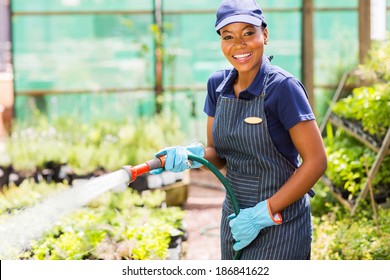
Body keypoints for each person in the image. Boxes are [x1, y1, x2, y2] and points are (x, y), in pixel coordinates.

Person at [152, 0, 327, 260]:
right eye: (228, 36)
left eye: (248, 33)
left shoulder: (283, 88)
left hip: (281, 221)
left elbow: (316, 162)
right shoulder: (217, 86)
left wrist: (264, 213)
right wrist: (192, 157)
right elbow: (218, 155)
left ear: (264, 35)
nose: (239, 45)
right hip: (235, 217)